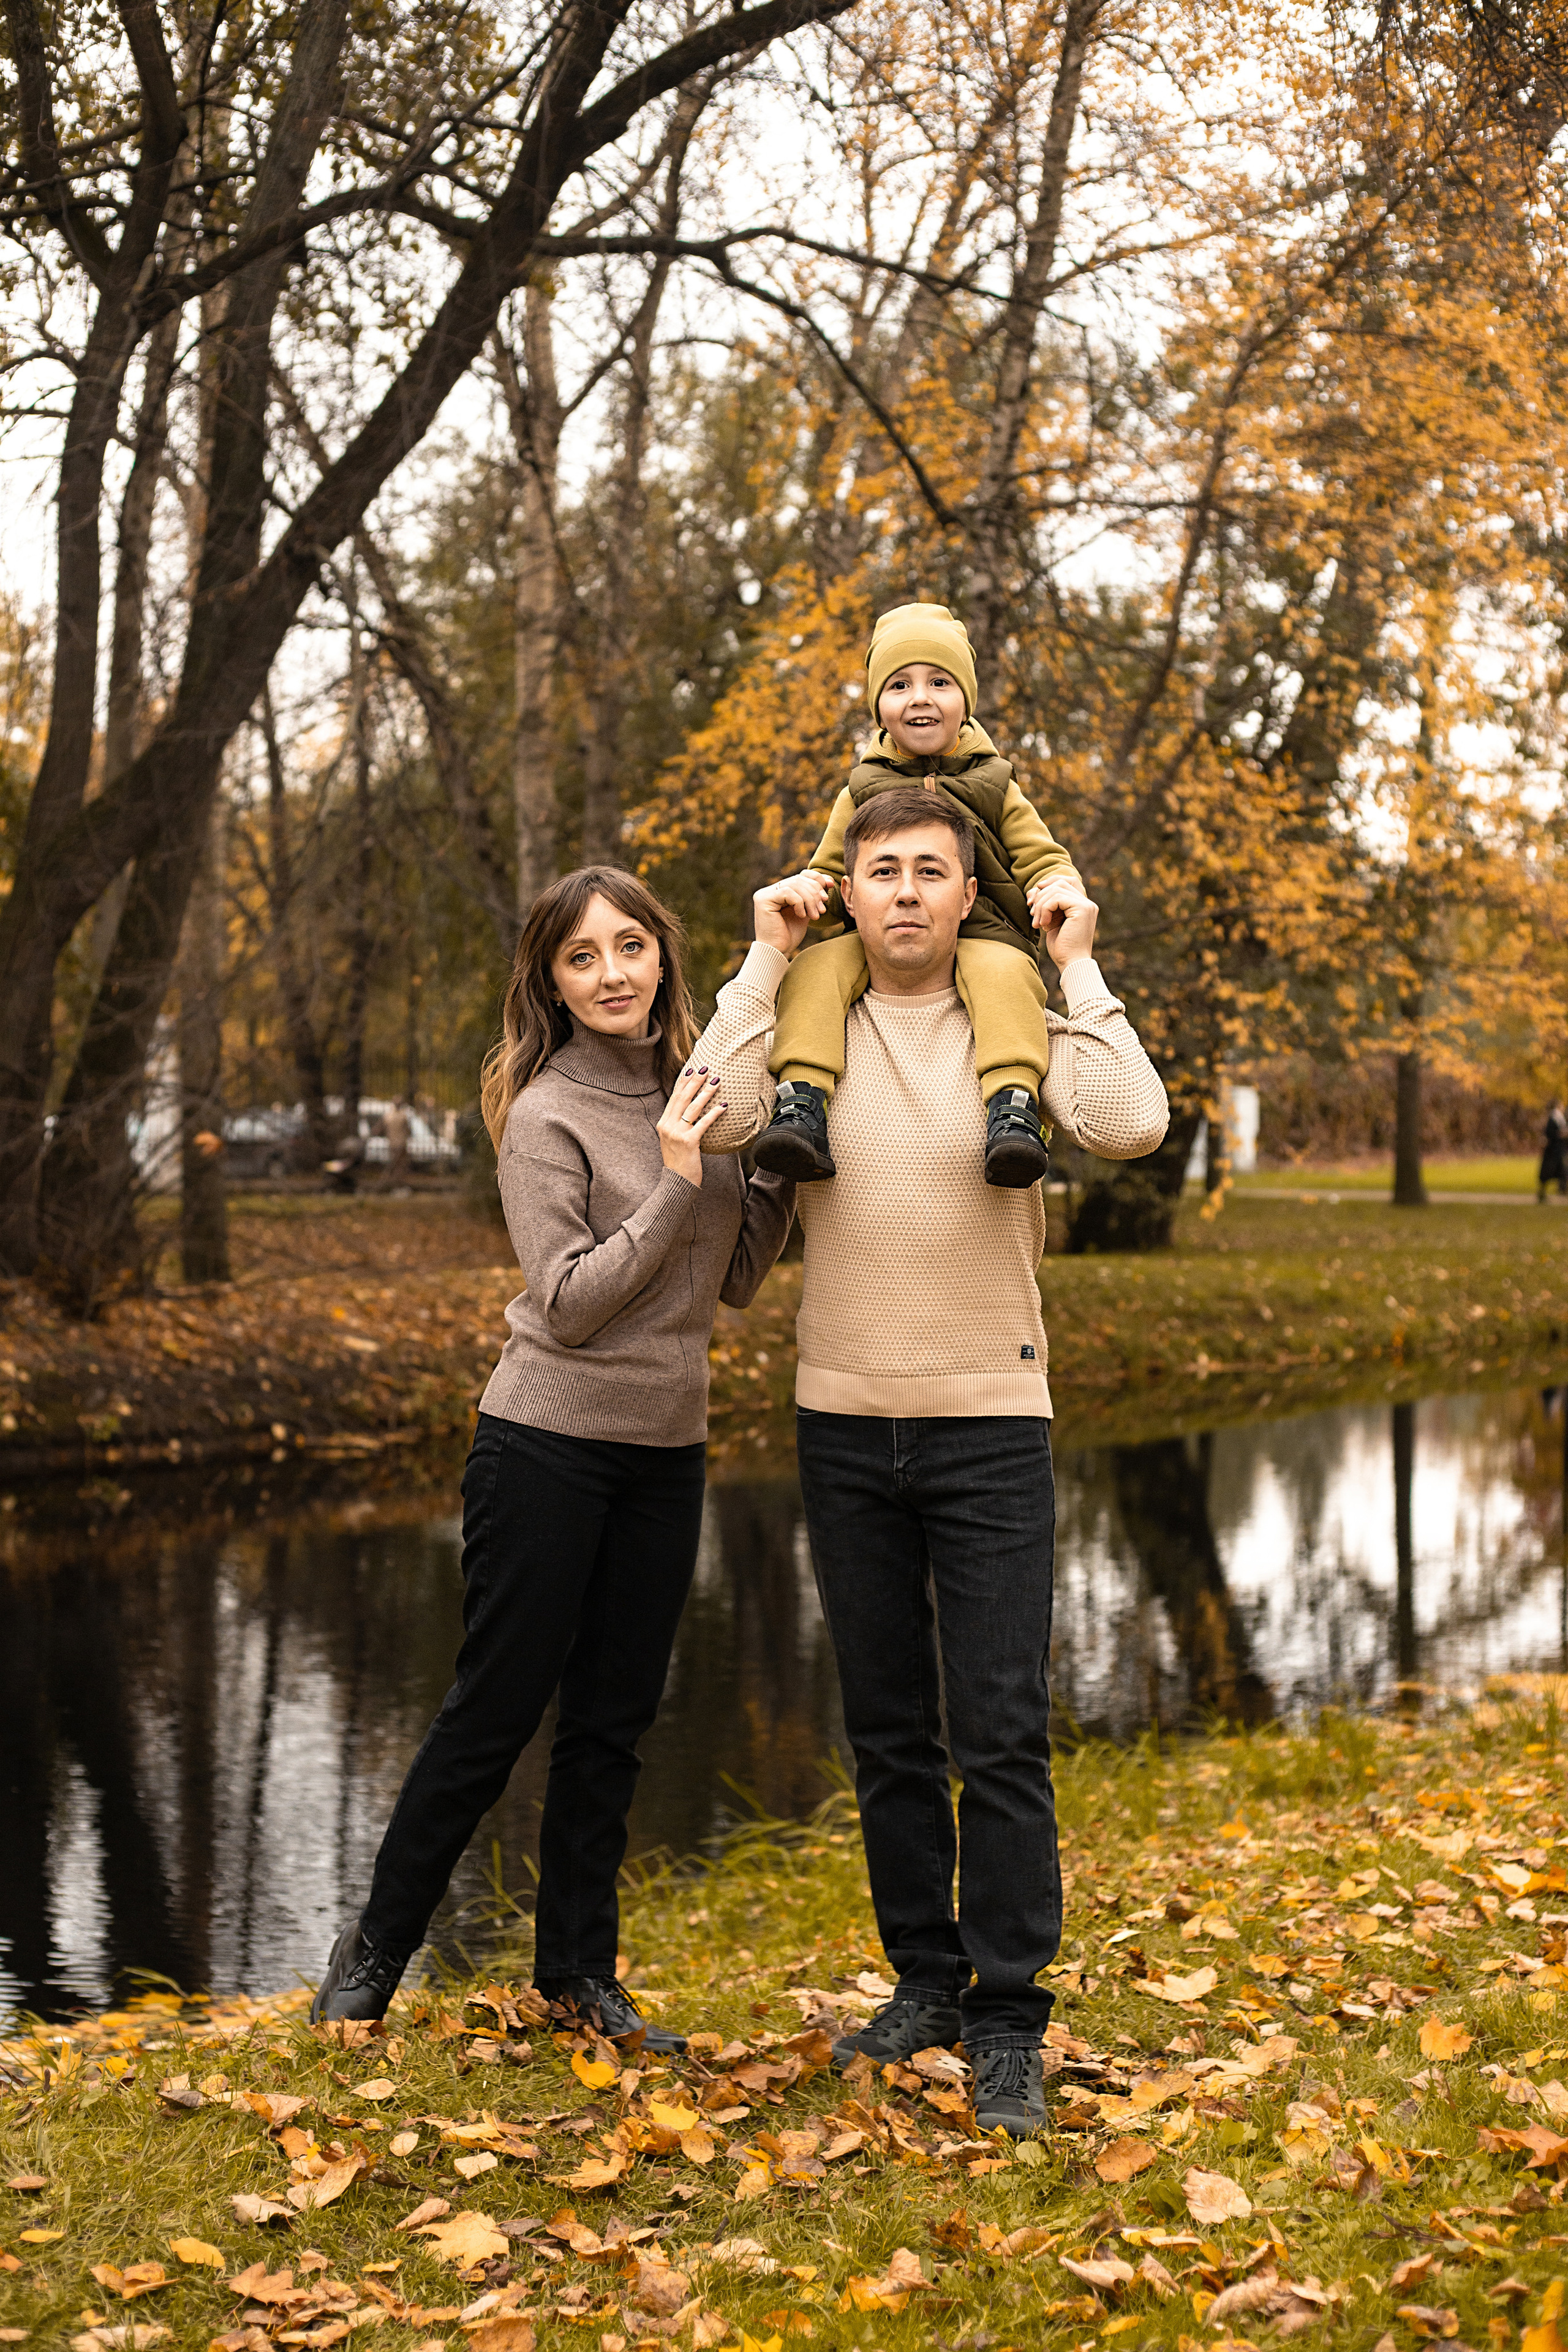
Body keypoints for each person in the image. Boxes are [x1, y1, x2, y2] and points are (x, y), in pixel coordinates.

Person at [690, 790, 1167, 2135]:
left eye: (928, 873)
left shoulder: (1013, 1012)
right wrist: (767, 952)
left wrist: (1076, 956)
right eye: (877, 870)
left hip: (990, 1426)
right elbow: (713, 1111)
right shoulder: (810, 1020)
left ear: (967, 895)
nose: (902, 891)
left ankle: (1010, 2017)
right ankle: (926, 1982)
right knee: (889, 1731)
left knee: (999, 1732)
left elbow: (1129, 1124)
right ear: (848, 888)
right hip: (841, 1424)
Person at [309, 867, 795, 2045]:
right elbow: (570, 1301)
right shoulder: (545, 1115)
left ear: (665, 959)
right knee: (496, 1709)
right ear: (553, 981)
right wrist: (680, 1183)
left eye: (632, 947)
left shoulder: (708, 1095)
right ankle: (372, 1956)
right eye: (585, 957)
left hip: (666, 1451)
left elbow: (731, 1283)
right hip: (545, 1443)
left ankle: (577, 1973)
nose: (615, 973)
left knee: (616, 1720)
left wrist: (770, 1172)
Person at [753, 603, 1087, 1191]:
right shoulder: (862, 787)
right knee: (815, 968)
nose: (920, 698)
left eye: (940, 682)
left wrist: (1056, 889)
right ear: (879, 703)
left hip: (981, 932)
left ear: (967, 698)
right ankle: (802, 1102)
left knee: (1007, 976)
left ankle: (1013, 1109)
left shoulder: (994, 781)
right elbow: (833, 873)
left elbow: (1041, 853)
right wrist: (810, 891)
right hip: (879, 935)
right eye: (900, 685)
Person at [1539, 1101, 1567, 1205]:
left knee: (1562, 1171)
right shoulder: (1555, 1118)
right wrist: (1562, 1134)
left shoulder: (1556, 1117)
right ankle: (1543, 1193)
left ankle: (1562, 1190)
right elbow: (1551, 1133)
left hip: (1555, 1150)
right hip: (1554, 1150)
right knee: (1552, 1171)